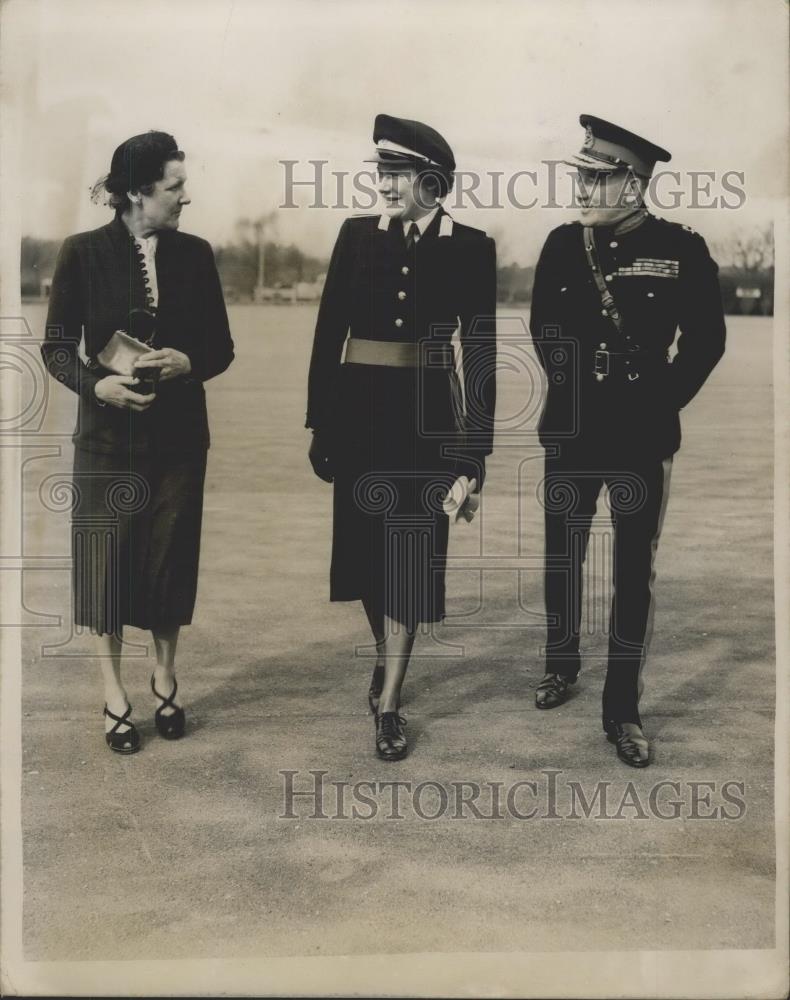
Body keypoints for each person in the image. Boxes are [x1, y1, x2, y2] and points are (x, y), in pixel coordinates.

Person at [529, 115, 726, 767]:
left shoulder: (682, 249)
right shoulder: (562, 246)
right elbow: (544, 329)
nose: (580, 190)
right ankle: (562, 664)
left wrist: (661, 397)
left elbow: (707, 339)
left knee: (631, 572)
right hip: (573, 425)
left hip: (642, 432)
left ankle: (622, 709)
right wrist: (575, 389)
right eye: (579, 177)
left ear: (634, 187)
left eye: (595, 179)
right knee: (564, 551)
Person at [306, 114, 497, 761]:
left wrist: (474, 451)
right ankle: (386, 654)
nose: (384, 183)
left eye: (397, 173)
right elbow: (328, 331)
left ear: (432, 181)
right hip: (358, 414)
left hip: (428, 422)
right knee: (365, 558)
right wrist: (320, 422)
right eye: (381, 171)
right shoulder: (356, 236)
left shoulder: (471, 247)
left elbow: (481, 352)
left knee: (411, 559)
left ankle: (389, 703)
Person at [41, 131, 234, 753]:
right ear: (134, 194)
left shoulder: (198, 254)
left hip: (180, 439)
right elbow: (54, 350)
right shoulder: (81, 252)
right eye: (174, 187)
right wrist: (98, 388)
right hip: (105, 441)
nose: (185, 197)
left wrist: (188, 362)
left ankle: (165, 674)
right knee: (106, 565)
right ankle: (113, 693)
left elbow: (221, 350)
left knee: (169, 560)